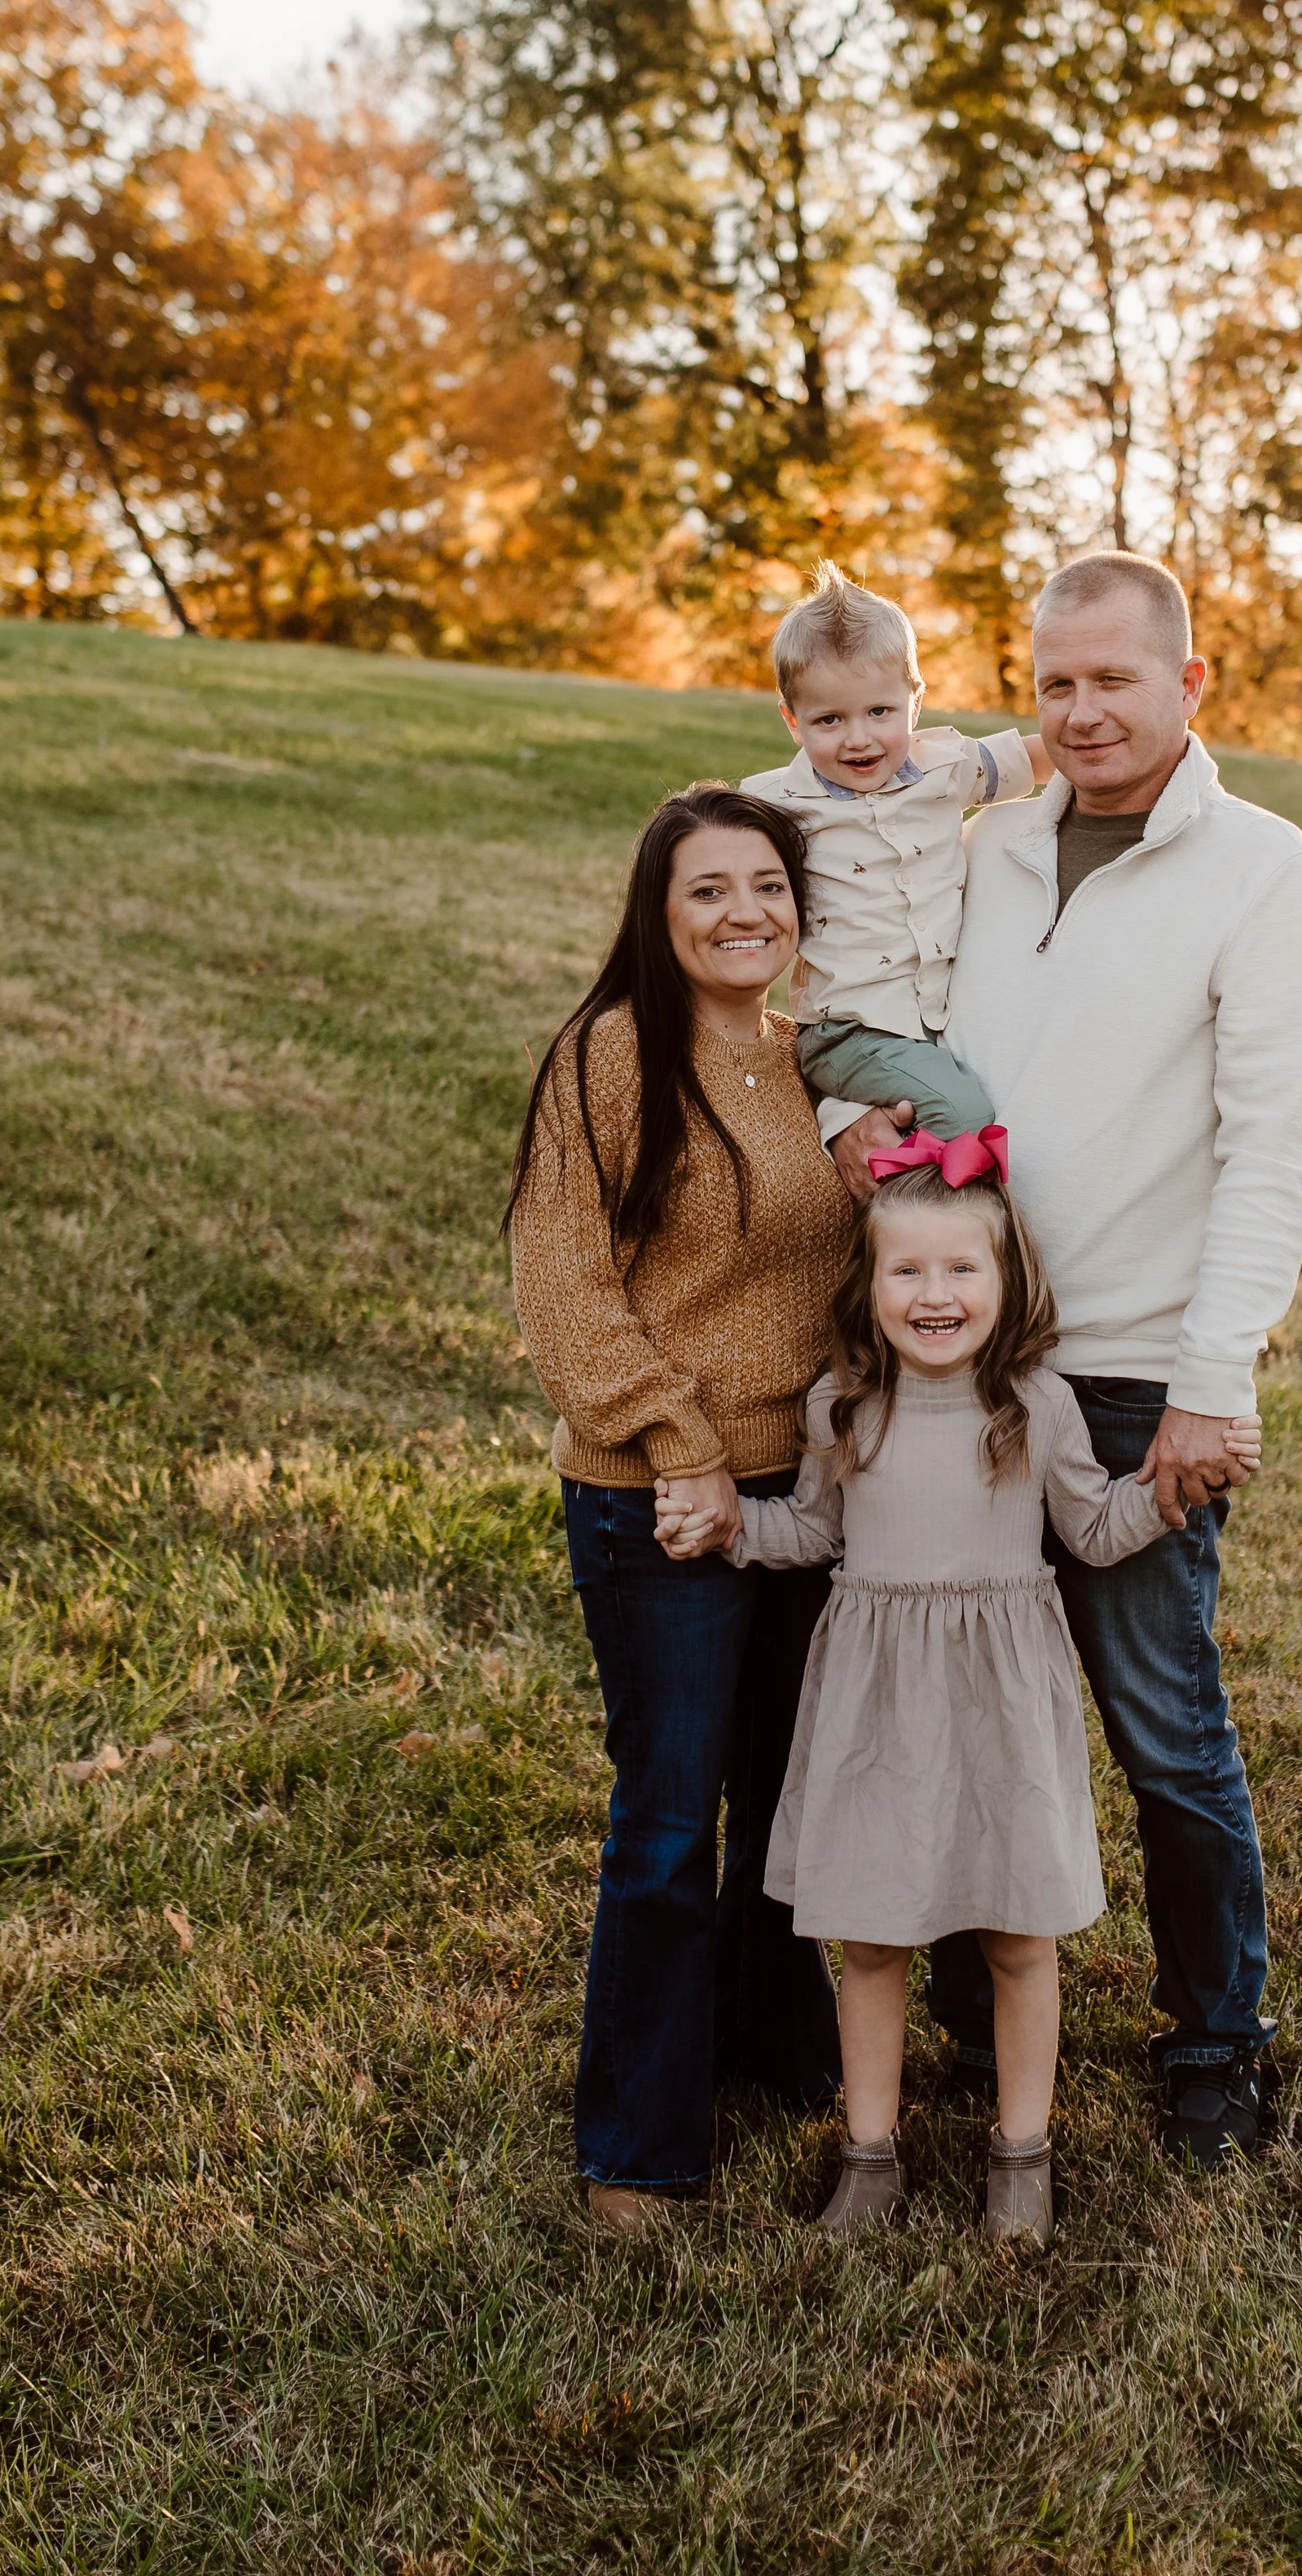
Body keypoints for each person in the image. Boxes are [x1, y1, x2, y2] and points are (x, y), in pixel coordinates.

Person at [817, 553, 1302, 2170]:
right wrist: (850, 1119)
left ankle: (1216, 2035)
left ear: (1189, 687)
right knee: (956, 1706)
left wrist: (1211, 1381)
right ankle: (979, 2010)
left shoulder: (1259, 873)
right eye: (1052, 682)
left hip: (1125, 1376)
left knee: (1158, 1723)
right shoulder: (979, 854)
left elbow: (1270, 1156)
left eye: (1112, 679)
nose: (1080, 711)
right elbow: (870, 1009)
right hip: (952, 1366)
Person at [655, 1134, 1261, 2244]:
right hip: (877, 1704)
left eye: (960, 1270)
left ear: (1007, 1278)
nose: (934, 1294)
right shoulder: (842, 1406)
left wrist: (1179, 1489)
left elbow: (1093, 1525)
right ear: (869, 1283)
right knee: (874, 1934)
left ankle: (1022, 2156)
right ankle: (870, 2155)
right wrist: (733, 1524)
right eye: (907, 1270)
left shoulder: (1039, 1405)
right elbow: (811, 1532)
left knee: (1021, 1933)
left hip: (1001, 1699)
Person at [505, 782, 856, 2232]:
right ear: (658, 913)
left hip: (806, 1492)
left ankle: (769, 2050)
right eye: (709, 890)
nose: (744, 914)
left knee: (784, 1803)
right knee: (666, 1822)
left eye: (768, 887)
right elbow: (564, 1285)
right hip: (658, 1497)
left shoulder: (805, 1059)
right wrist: (678, 1441)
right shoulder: (607, 1057)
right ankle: (636, 2151)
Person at [741, 560, 1052, 1140]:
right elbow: (696, 832)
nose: (858, 737)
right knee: (964, 1118)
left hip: (938, 1021)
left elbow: (1038, 756)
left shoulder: (947, 768)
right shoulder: (776, 803)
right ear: (792, 721)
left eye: (879, 712)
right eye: (829, 719)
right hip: (847, 1030)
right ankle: (928, 1213)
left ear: (914, 702)